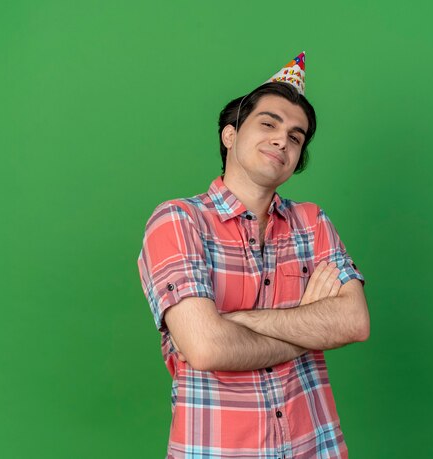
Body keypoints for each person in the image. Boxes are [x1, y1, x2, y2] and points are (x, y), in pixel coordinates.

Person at [138, 52, 370, 459]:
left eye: (296, 137)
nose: (283, 139)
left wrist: (239, 322)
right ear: (230, 134)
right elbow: (207, 348)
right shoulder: (178, 220)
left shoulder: (312, 222)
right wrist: (308, 324)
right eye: (269, 123)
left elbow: (354, 322)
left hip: (314, 447)